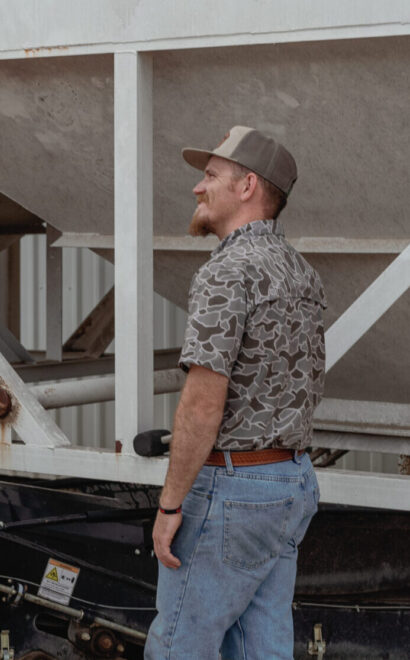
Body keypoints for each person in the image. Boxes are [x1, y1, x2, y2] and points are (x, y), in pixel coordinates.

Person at [144, 127, 326, 659]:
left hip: (234, 489)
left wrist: (171, 504)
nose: (198, 189)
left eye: (209, 177)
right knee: (260, 650)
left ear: (247, 186)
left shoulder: (227, 272)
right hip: (290, 482)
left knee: (178, 647)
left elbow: (203, 402)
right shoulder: (303, 274)